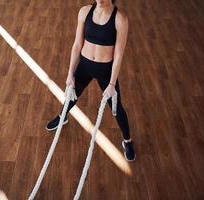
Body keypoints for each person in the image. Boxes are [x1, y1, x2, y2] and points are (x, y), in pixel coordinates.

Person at [46, 0, 136, 161]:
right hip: (85, 66)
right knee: (71, 96)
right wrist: (70, 74)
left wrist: (111, 84)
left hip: (105, 71)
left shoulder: (120, 19)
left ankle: (127, 141)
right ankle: (62, 117)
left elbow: (119, 55)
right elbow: (77, 44)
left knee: (117, 108)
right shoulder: (85, 12)